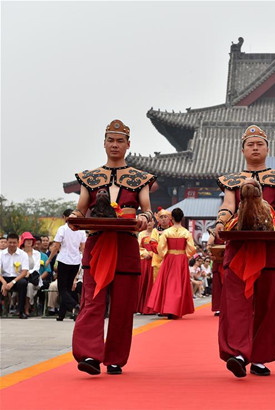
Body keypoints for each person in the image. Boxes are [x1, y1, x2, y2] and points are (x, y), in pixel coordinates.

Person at [71, 119, 156, 376]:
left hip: (126, 245)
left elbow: (148, 210)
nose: (115, 145)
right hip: (98, 243)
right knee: (92, 302)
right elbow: (81, 207)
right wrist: (74, 218)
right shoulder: (90, 177)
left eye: (120, 140)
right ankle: (89, 354)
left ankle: (116, 358)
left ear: (128, 145)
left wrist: (144, 219)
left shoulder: (140, 179)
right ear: (104, 143)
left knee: (121, 305)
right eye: (111, 140)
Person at [214, 124, 275, 378]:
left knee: (268, 302)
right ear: (242, 150)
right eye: (250, 144)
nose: (254, 147)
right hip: (239, 245)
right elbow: (228, 206)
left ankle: (260, 357)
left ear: (267, 149)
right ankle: (239, 353)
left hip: (270, 245)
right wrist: (220, 223)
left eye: (259, 144)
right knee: (237, 302)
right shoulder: (232, 180)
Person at [147, 208, 196, 318]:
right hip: (182, 258)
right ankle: (178, 308)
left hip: (170, 258)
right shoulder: (186, 232)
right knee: (180, 283)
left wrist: (166, 254)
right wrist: (186, 255)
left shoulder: (166, 232)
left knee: (168, 283)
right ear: (182, 218)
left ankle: (168, 308)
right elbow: (192, 248)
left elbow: (160, 248)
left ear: (172, 218)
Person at [46, 209, 86, 321]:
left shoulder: (62, 229)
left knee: (62, 288)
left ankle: (74, 305)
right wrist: (84, 261)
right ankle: (61, 315)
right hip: (76, 261)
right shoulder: (81, 230)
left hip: (64, 261)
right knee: (67, 289)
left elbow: (56, 247)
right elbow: (83, 248)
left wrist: (49, 260)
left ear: (64, 217)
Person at [0, 233, 29, 318]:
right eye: (10, 242)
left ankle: (20, 311)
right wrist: (4, 283)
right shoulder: (1, 254)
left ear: (18, 242)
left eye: (14, 242)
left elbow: (24, 272)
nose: (12, 245)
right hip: (4, 277)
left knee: (23, 283)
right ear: (7, 242)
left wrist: (12, 282)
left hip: (17, 278)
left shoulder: (23, 254)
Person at [19, 232, 42, 317]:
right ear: (23, 242)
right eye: (27, 240)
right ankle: (18, 308)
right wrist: (24, 273)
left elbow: (37, 267)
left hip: (33, 278)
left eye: (31, 240)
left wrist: (28, 272)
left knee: (29, 286)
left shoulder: (37, 253)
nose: (29, 242)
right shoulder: (20, 253)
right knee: (21, 284)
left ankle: (27, 308)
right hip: (21, 276)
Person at [137, 220, 155, 314]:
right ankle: (140, 307)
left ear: (154, 223)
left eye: (151, 222)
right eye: (147, 222)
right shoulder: (141, 234)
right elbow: (138, 246)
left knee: (151, 283)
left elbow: (158, 246)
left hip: (153, 261)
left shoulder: (156, 233)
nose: (149, 223)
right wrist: (145, 254)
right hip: (143, 260)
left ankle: (151, 307)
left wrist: (151, 254)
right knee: (143, 282)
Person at [207, 227, 224, 316]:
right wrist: (210, 254)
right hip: (218, 261)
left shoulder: (233, 227)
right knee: (218, 286)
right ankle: (219, 308)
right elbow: (209, 245)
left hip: (230, 261)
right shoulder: (214, 232)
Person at [150, 209, 172, 281]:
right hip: (157, 261)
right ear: (158, 219)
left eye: (165, 217)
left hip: (170, 260)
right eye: (161, 217)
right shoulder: (155, 231)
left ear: (169, 219)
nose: (163, 219)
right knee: (157, 283)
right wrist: (163, 252)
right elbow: (153, 245)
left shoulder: (173, 231)